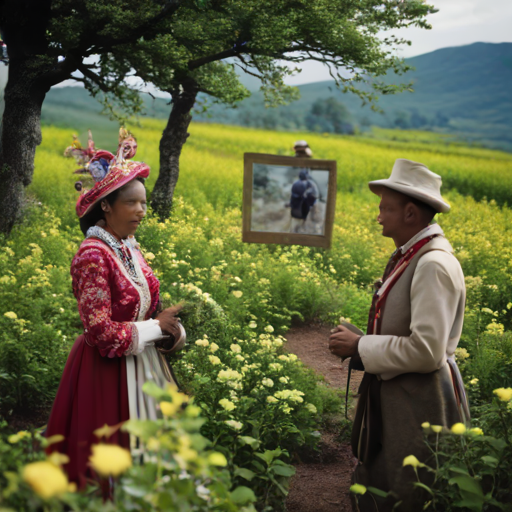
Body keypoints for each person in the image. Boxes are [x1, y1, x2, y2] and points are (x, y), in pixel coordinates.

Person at [45, 128, 185, 489]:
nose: (141, 210)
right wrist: (157, 326)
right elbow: (102, 333)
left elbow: (145, 310)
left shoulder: (128, 247)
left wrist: (171, 331)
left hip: (142, 364)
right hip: (105, 372)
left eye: (144, 202)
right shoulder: (93, 255)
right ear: (105, 206)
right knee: (113, 462)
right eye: (131, 203)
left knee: (153, 461)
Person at [329, 159, 468, 511]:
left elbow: (426, 351)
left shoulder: (433, 264)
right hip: (403, 394)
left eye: (384, 208)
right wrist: (365, 340)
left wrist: (362, 345)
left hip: (419, 400)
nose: (378, 217)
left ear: (410, 213)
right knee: (387, 475)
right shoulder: (413, 254)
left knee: (408, 488)